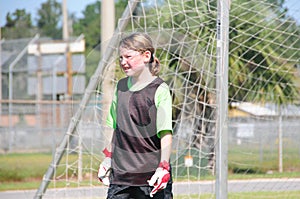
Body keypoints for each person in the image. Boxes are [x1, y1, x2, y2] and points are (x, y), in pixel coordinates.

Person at [98, 32, 173, 199]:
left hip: (152, 175)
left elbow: (165, 133)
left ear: (146, 56)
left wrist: (163, 166)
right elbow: (115, 127)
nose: (123, 62)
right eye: (121, 58)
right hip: (122, 177)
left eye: (128, 57)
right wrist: (108, 157)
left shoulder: (159, 90)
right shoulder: (121, 87)